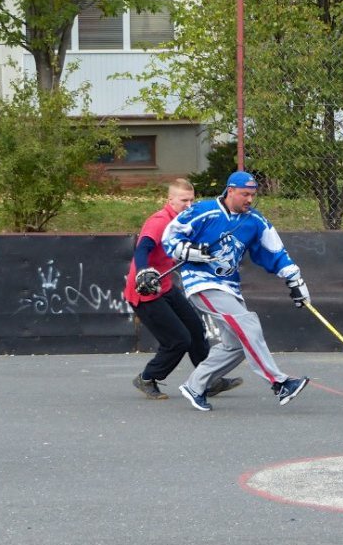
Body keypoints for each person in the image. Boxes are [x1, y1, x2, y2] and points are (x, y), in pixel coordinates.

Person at [161, 170, 310, 412]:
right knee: (248, 324)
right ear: (230, 191)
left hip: (229, 286)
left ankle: (194, 387)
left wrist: (294, 280)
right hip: (202, 282)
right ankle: (279, 383)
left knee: (237, 345)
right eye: (244, 194)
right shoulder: (203, 211)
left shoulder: (255, 221)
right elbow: (170, 235)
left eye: (253, 195)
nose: (249, 200)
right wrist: (187, 250)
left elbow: (275, 252)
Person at [123, 179, 243, 400]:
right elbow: (143, 249)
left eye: (191, 200)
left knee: (196, 329)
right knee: (179, 340)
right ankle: (147, 377)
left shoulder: (186, 222)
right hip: (145, 290)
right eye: (183, 200)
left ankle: (208, 380)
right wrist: (143, 271)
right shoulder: (159, 222)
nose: (189, 205)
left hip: (166, 286)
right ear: (170, 200)